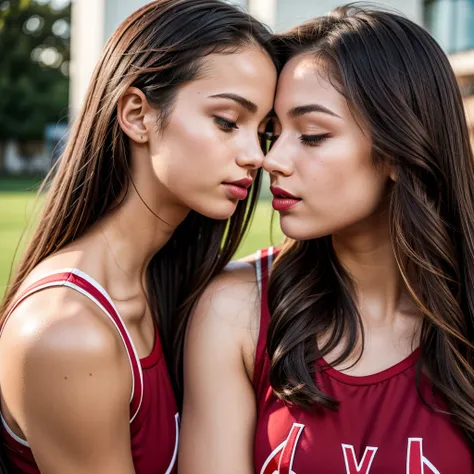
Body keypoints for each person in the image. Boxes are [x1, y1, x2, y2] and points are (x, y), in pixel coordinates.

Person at [179, 4, 474, 473]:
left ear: (400, 152)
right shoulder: (237, 312)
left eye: (313, 134)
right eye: (274, 133)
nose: (271, 159)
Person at [0, 0, 277, 472]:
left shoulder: (164, 282)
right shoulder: (69, 333)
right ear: (137, 114)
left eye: (264, 132)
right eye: (228, 121)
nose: (256, 155)